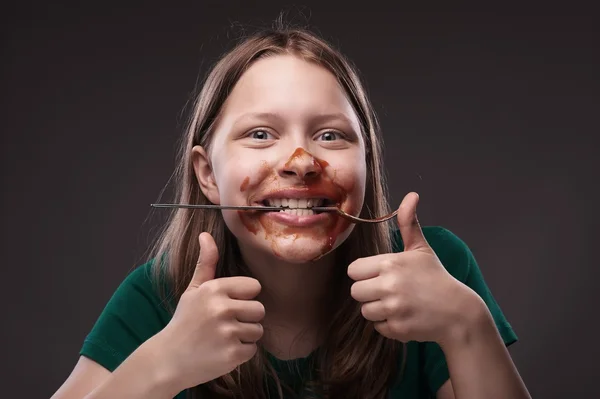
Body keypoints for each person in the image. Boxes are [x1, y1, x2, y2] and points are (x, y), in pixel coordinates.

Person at [51, 22, 530, 399]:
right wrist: (158, 368)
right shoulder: (158, 296)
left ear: (367, 164)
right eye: (260, 134)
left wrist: (468, 325)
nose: (301, 164)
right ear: (208, 175)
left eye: (330, 135)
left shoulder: (438, 273)